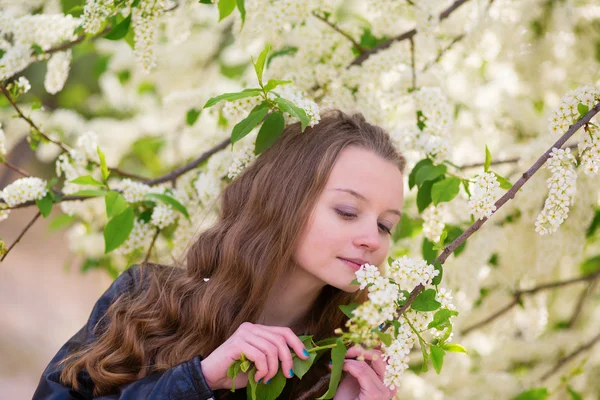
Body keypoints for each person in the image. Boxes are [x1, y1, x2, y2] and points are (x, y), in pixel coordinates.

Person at [33, 109, 406, 400]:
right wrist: (199, 380)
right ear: (284, 200)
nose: (372, 238)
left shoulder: (341, 363)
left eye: (385, 225)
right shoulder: (149, 300)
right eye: (347, 211)